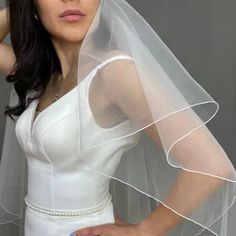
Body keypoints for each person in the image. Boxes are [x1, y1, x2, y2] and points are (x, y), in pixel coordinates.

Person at [0, 0, 236, 236]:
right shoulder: (40, 75)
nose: (71, 0)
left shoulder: (114, 72)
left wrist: (143, 231)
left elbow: (211, 166)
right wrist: (22, 8)